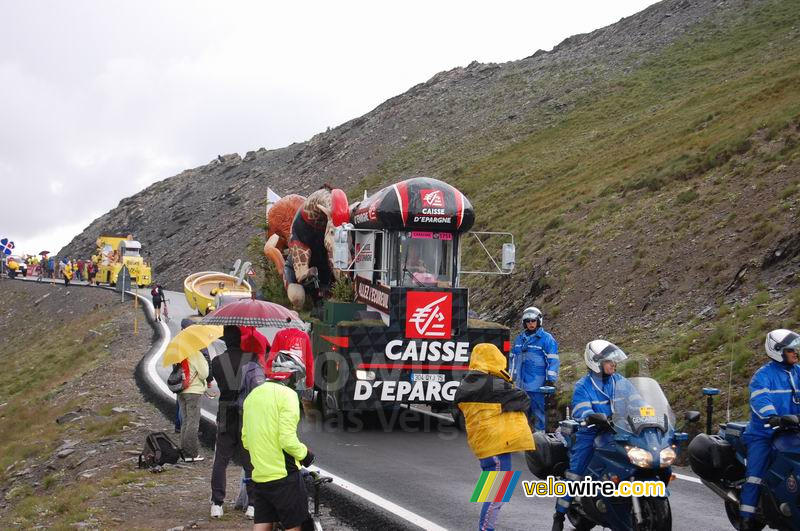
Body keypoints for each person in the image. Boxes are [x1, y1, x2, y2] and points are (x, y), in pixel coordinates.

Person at [552, 339, 639, 531]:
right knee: (576, 473)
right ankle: (559, 515)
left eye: (614, 361)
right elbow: (580, 409)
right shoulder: (584, 385)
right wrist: (591, 416)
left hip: (619, 431)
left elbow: (637, 401)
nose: (613, 364)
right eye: (609, 361)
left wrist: (648, 412)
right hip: (591, 432)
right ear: (596, 363)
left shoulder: (620, 381)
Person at [453, 343, 534, 531]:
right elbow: (523, 399)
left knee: (492, 490)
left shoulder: (466, 383)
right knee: (497, 493)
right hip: (497, 444)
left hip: (484, 444)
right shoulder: (495, 384)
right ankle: (486, 529)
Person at [242, 353, 315, 531]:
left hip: (260, 474)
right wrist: (305, 454)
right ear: (291, 376)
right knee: (293, 524)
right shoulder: (288, 395)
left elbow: (246, 440)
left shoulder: (253, 395)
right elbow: (287, 440)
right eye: (298, 377)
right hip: (284, 475)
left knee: (263, 522)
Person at [739, 329, 800, 530]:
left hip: (793, 430)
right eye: (791, 350)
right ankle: (746, 518)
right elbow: (760, 399)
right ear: (777, 351)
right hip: (764, 433)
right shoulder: (763, 375)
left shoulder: (798, 372)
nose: (795, 353)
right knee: (755, 475)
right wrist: (772, 416)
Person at [209, 325, 258, 519]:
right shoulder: (251, 358)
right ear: (240, 339)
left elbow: (211, 379)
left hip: (225, 411)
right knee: (249, 459)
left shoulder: (217, 361)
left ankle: (217, 503)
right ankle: (252, 504)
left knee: (221, 459)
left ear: (225, 340)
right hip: (247, 411)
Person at [509, 306, 559, 431]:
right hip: (520, 386)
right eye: (528, 321)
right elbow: (512, 360)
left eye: (533, 321)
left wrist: (550, 380)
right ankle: (523, 438)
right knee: (521, 415)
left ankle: (539, 439)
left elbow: (553, 360)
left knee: (539, 415)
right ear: (524, 323)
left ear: (538, 321)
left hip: (538, 386)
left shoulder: (547, 339)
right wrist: (510, 378)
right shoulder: (519, 339)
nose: (531, 323)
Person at [178, 337, 209, 463]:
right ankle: (191, 453)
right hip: (193, 391)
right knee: (193, 422)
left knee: (185, 421)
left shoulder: (181, 354)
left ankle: (184, 451)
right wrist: (205, 362)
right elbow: (204, 373)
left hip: (181, 391)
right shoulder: (196, 354)